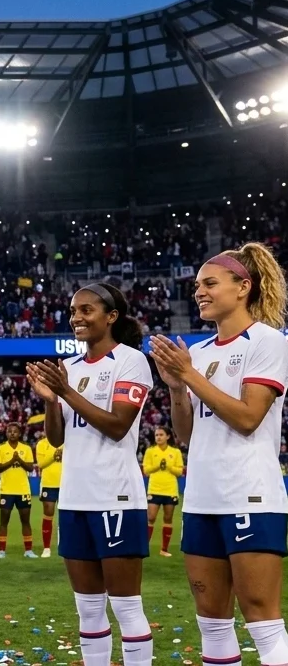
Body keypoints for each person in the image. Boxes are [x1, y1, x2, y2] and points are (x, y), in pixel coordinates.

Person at [149, 243, 288, 666]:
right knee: (211, 622)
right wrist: (176, 390)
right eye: (196, 286)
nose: (199, 292)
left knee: (261, 620)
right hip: (202, 498)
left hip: (250, 495)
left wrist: (188, 374)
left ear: (243, 287)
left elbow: (248, 418)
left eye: (209, 283)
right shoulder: (202, 352)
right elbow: (188, 435)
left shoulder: (268, 341)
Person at [27, 282, 154, 666]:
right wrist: (51, 402)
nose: (76, 318)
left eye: (86, 310)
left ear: (111, 316)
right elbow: (55, 438)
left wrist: (64, 391)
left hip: (115, 496)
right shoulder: (72, 368)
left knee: (126, 607)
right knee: (88, 610)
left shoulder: (131, 361)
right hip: (75, 498)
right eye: (72, 311)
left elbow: (117, 425)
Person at [0, 422, 37, 559]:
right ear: (6, 433)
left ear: (20, 434)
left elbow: (30, 468)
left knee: (26, 521)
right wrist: (13, 460)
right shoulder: (0, 449)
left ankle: (28, 550)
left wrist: (19, 460)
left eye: (15, 431)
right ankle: (1, 551)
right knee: (3, 522)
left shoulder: (26, 448)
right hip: (6, 490)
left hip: (23, 490)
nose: (12, 433)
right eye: (9, 431)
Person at [141, 426, 183, 557]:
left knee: (168, 518)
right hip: (154, 488)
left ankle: (164, 549)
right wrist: (157, 465)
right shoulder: (150, 451)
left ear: (168, 436)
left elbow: (180, 472)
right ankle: (144, 547)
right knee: (150, 517)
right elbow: (146, 471)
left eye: (161, 435)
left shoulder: (175, 452)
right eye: (156, 435)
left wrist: (169, 466)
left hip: (170, 490)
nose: (158, 437)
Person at [35, 430, 64, 558]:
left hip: (66, 483)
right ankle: (46, 548)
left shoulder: (67, 442)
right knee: (48, 513)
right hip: (48, 483)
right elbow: (41, 464)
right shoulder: (42, 444)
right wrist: (54, 455)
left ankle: (63, 545)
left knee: (66, 515)